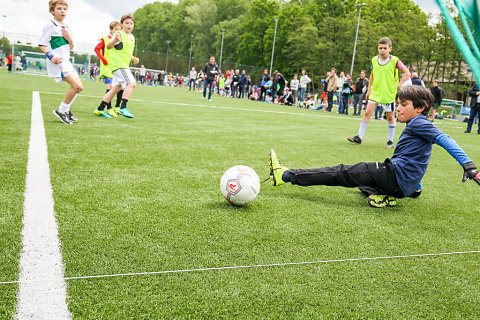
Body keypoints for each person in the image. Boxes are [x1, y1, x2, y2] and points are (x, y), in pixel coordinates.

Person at [269, 86, 480, 208]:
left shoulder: (419, 122)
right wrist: (415, 185)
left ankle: (285, 175)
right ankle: (382, 195)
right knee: (362, 180)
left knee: (342, 173)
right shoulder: (420, 124)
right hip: (403, 186)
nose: (397, 109)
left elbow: (446, 140)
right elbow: (419, 156)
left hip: (393, 177)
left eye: (403, 105)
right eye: (397, 104)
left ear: (420, 108)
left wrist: (468, 165)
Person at [348, 37, 410, 148]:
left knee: (390, 117)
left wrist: (400, 84)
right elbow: (372, 74)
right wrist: (369, 89)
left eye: (385, 48)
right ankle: (359, 137)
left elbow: (407, 73)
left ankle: (390, 141)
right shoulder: (374, 60)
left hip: (388, 94)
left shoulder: (395, 61)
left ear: (390, 49)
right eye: (380, 48)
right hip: (375, 92)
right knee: (367, 113)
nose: (382, 50)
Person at [38, 0, 83, 124]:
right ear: (52, 11)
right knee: (76, 86)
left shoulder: (66, 27)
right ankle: (61, 110)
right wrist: (51, 57)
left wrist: (69, 39)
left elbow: (71, 47)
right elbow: (42, 44)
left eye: (64, 9)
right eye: (59, 8)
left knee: (80, 88)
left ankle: (66, 110)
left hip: (67, 62)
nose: (62, 11)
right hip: (59, 63)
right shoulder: (50, 25)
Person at [94, 14, 140, 118]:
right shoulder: (119, 34)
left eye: (131, 23)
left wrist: (133, 58)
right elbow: (109, 46)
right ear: (122, 24)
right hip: (119, 65)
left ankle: (100, 109)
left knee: (116, 88)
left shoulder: (132, 37)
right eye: (126, 23)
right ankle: (123, 107)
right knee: (132, 83)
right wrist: (115, 40)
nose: (129, 25)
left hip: (123, 65)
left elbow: (125, 52)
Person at [94, 20, 123, 118]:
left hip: (115, 67)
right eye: (115, 29)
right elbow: (96, 49)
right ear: (111, 30)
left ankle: (115, 107)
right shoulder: (106, 39)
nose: (117, 32)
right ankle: (108, 109)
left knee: (119, 88)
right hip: (106, 67)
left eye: (119, 30)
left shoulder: (119, 41)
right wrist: (103, 59)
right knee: (110, 87)